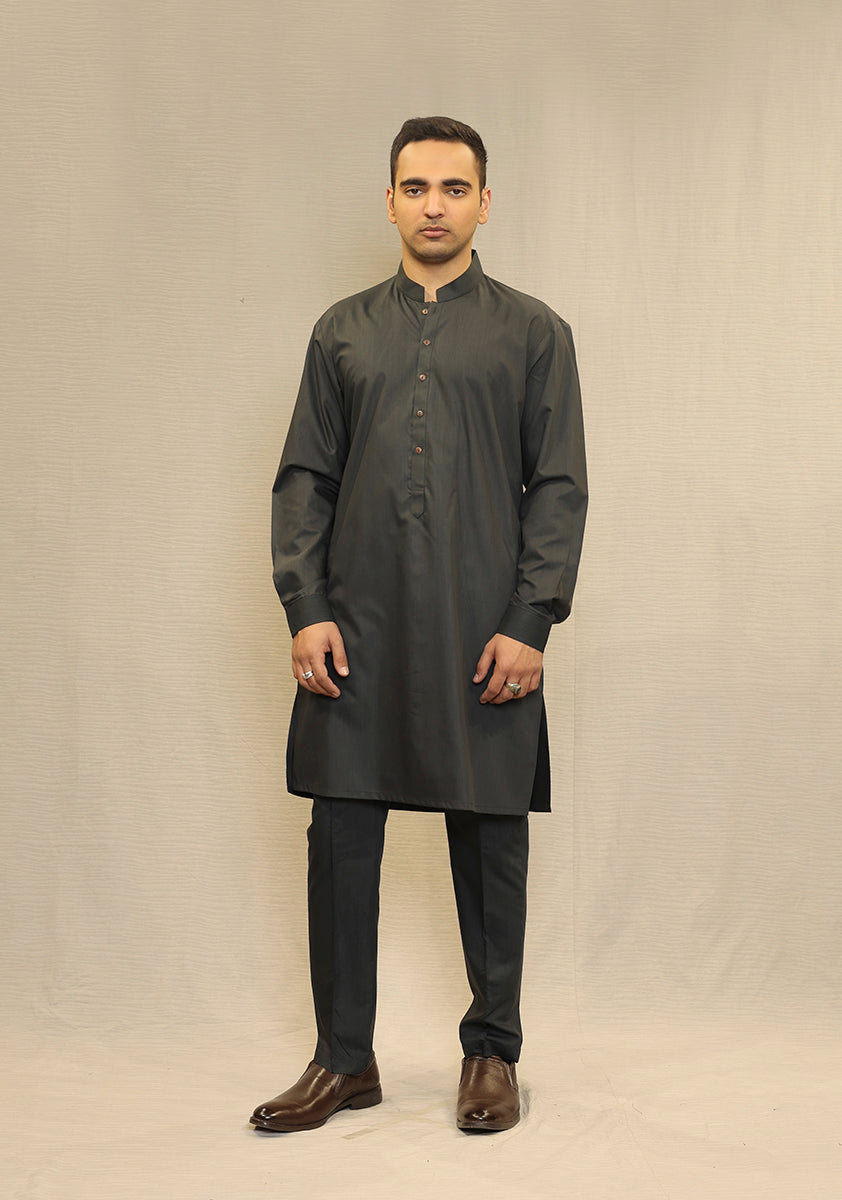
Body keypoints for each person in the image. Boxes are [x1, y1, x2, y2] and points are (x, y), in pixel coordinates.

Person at [251, 116, 587, 1134]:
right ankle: (341, 1060)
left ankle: (491, 1054)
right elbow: (304, 480)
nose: (433, 205)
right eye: (414, 187)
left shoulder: (533, 332)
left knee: (489, 841)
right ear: (389, 201)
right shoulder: (341, 332)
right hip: (356, 630)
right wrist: (305, 607)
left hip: (484, 629)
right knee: (340, 841)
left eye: (452, 188)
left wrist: (529, 618)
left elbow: (557, 486)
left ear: (485, 202)